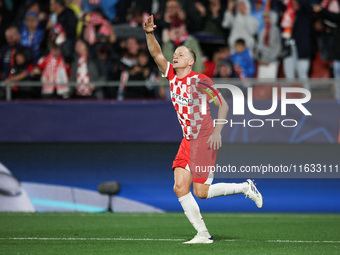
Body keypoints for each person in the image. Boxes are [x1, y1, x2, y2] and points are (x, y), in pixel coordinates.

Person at [144, 15, 263, 244]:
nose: (175, 55)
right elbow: (156, 53)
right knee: (180, 187)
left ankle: (245, 187)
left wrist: (217, 132)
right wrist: (149, 33)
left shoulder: (201, 80)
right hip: (187, 139)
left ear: (191, 62)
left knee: (201, 192)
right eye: (175, 53)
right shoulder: (170, 76)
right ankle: (202, 234)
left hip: (204, 138)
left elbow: (223, 104)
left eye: (181, 54)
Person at [313, 2, 340, 99]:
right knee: (336, 72)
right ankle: (338, 99)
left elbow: (337, 17)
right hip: (336, 48)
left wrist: (322, 11)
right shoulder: (326, 2)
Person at [254, 10, 282, 79]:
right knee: (262, 84)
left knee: (271, 84)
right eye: (264, 17)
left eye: (268, 17)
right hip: (262, 62)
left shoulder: (276, 30)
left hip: (272, 62)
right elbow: (259, 47)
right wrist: (259, 58)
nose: (266, 20)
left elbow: (278, 47)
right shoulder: (261, 31)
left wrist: (268, 60)